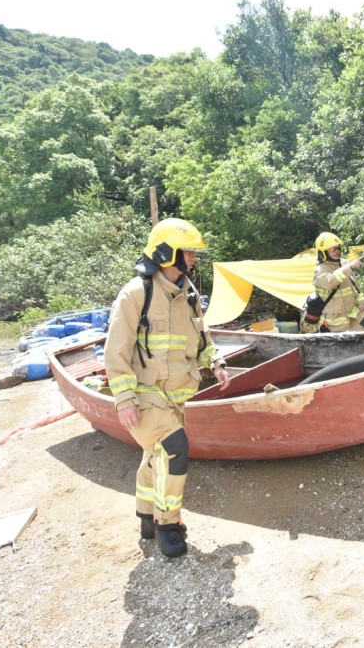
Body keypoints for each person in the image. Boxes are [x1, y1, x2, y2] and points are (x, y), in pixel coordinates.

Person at [104, 218, 230, 557]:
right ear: (167, 253)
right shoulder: (136, 294)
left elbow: (203, 338)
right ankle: (167, 525)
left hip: (177, 397)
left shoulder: (189, 295)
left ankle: (146, 516)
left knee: (155, 455)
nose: (193, 260)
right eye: (188, 253)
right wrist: (124, 400)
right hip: (145, 396)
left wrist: (215, 363)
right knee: (175, 450)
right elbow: (115, 351)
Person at [306, 231, 364, 333]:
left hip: (353, 313)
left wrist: (362, 304)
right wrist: (350, 267)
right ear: (323, 252)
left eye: (338, 248)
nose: (336, 251)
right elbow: (330, 281)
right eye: (332, 249)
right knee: (343, 344)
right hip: (335, 319)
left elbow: (356, 286)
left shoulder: (344, 263)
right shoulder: (320, 270)